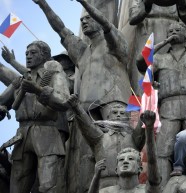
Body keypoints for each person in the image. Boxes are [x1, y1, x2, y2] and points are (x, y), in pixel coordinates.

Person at [136, 0, 186, 185]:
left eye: (177, 30)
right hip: (168, 106)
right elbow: (141, 63)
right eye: (169, 31)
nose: (173, 33)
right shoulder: (160, 58)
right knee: (164, 149)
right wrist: (163, 43)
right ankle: (161, 187)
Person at [33, 0, 131, 120]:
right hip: (86, 108)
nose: (84, 21)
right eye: (82, 20)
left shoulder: (113, 42)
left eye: (88, 18)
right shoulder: (82, 52)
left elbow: (106, 25)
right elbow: (60, 28)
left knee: (117, 138)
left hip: (113, 102)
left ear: (98, 19)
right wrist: (43, 4)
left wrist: (83, 3)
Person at [0, 40, 70, 193]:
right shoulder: (20, 79)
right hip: (22, 134)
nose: (28, 57)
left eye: (33, 53)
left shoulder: (53, 74)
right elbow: (2, 100)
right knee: (17, 184)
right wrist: (2, 108)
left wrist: (37, 90)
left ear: (44, 55)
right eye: (26, 54)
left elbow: (64, 101)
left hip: (47, 131)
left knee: (49, 185)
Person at [67, 94, 146, 189]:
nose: (118, 115)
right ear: (108, 117)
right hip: (105, 184)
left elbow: (143, 122)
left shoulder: (133, 138)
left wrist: (150, 97)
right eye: (115, 112)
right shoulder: (100, 138)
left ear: (128, 118)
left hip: (130, 185)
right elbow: (87, 126)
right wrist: (76, 107)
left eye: (122, 113)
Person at [88, 110, 161, 193]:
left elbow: (152, 161)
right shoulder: (107, 191)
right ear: (116, 170)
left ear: (139, 168)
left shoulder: (146, 190)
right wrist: (96, 176)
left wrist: (149, 128)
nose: (125, 161)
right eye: (121, 160)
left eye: (130, 159)